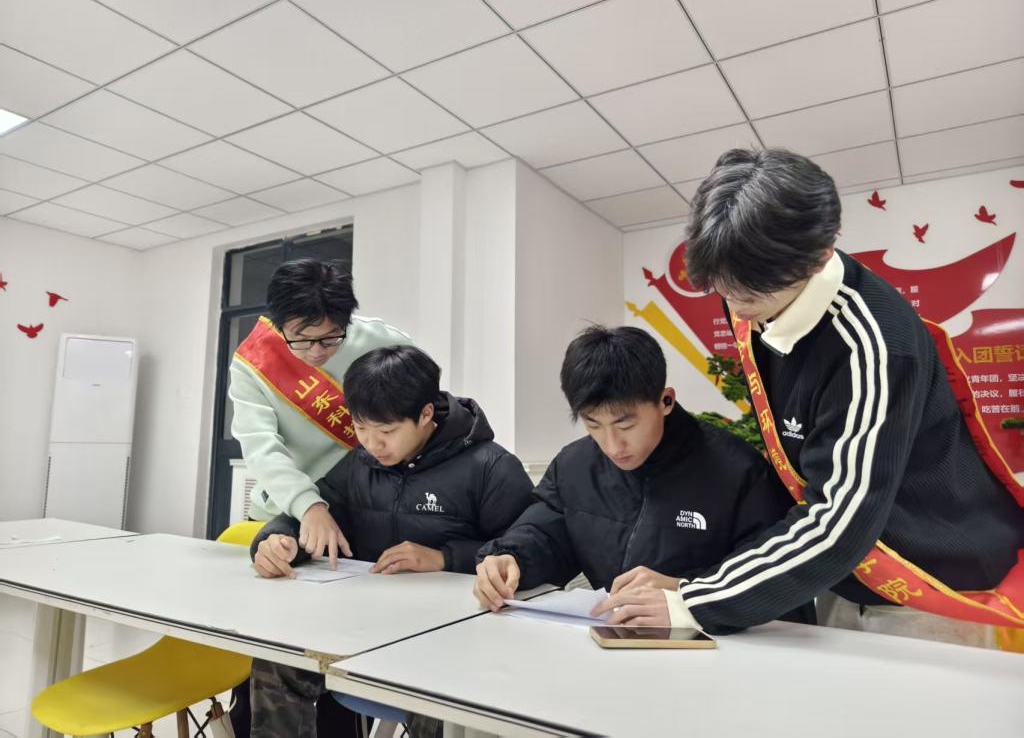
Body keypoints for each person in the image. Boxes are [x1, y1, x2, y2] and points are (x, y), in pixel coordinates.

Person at [591, 148, 1024, 647]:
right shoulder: (752, 290)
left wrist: (694, 601)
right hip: (845, 573)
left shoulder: (874, 346)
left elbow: (837, 521)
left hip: (932, 584)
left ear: (819, 258)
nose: (737, 310)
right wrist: (699, 589)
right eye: (724, 291)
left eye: (750, 295)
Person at [249, 345, 535, 738]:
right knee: (277, 661)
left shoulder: (490, 468)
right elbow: (313, 516)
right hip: (365, 626)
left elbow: (526, 553)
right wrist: (278, 540)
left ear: (426, 414)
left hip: (448, 638)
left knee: (437, 697)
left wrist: (443, 558)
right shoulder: (360, 464)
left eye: (387, 432)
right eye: (361, 428)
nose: (372, 444)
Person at [474, 325, 813, 628]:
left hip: (716, 649)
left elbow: (776, 580)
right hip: (614, 643)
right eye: (593, 424)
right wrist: (513, 558)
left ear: (665, 401)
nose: (612, 445)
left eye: (626, 424)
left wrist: (686, 592)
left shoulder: (738, 471)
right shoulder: (574, 466)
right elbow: (545, 534)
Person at [228, 258, 410, 736]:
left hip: (357, 513)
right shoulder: (253, 363)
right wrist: (309, 506)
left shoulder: (384, 343)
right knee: (266, 661)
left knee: (337, 659)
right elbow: (261, 449)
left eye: (330, 339)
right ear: (277, 324)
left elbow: (416, 414)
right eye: (301, 339)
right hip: (287, 515)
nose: (316, 352)